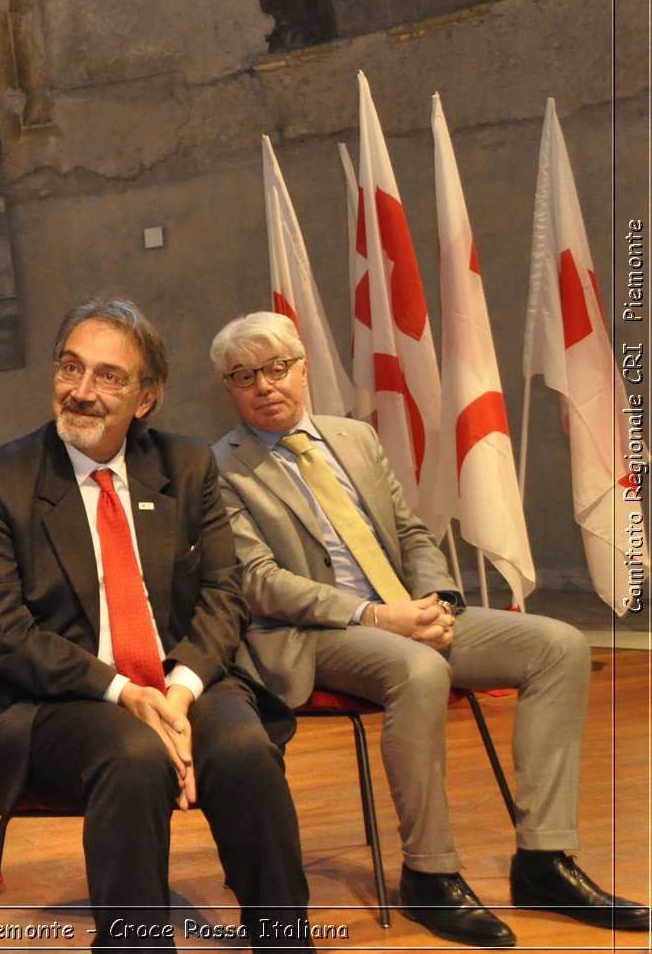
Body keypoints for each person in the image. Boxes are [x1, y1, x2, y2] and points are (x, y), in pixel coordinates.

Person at [209, 311, 650, 946]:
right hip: (319, 631)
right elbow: (258, 581)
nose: (264, 385)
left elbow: (412, 533)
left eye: (277, 368)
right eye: (244, 375)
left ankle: (545, 860)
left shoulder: (353, 438)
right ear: (229, 386)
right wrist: (376, 617)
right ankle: (430, 874)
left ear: (303, 369)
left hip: (408, 612)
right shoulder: (220, 468)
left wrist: (434, 599)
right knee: (420, 669)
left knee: (558, 645)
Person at [0, 296, 312, 951]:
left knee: (243, 751)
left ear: (146, 397)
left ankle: (286, 941)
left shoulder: (187, 465)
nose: (82, 391)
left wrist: (177, 694)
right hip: (56, 700)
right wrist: (123, 693)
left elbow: (223, 593)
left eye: (108, 376)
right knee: (134, 753)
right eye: (70, 367)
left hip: (179, 681)